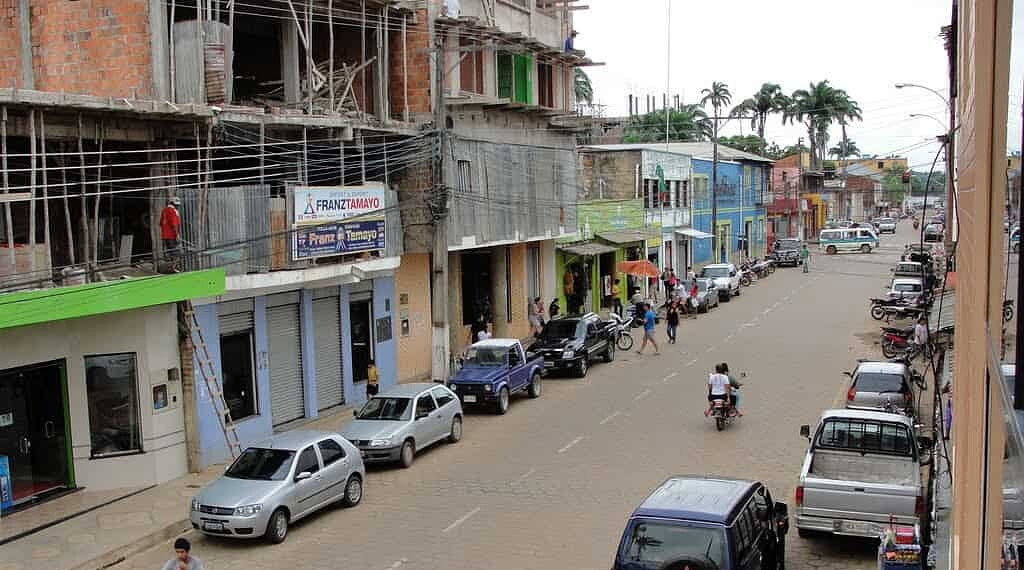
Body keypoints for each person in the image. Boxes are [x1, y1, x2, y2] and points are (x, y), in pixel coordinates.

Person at [159, 197, 182, 271]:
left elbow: (161, 223)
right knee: (176, 253)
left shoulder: (164, 210)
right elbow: (174, 224)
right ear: (172, 204)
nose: (177, 206)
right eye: (176, 205)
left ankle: (170, 268)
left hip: (164, 236)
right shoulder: (173, 211)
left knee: (169, 252)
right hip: (172, 236)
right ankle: (174, 268)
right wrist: (177, 235)